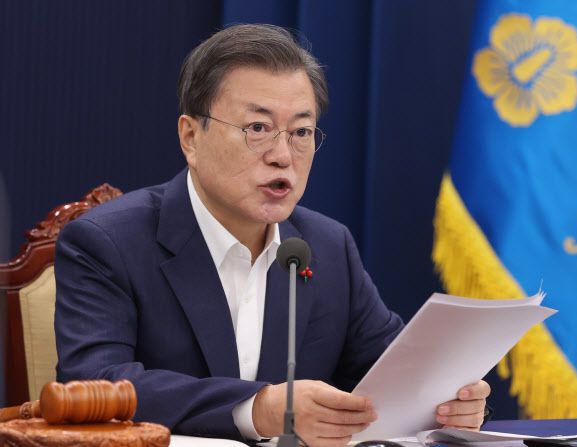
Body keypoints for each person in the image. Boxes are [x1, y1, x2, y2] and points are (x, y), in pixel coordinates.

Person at [54, 24, 490, 446]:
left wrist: (448, 403)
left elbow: (394, 375)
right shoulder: (107, 243)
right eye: (257, 129)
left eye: (301, 132)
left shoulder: (327, 246)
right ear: (191, 137)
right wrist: (257, 408)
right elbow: (95, 384)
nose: (283, 156)